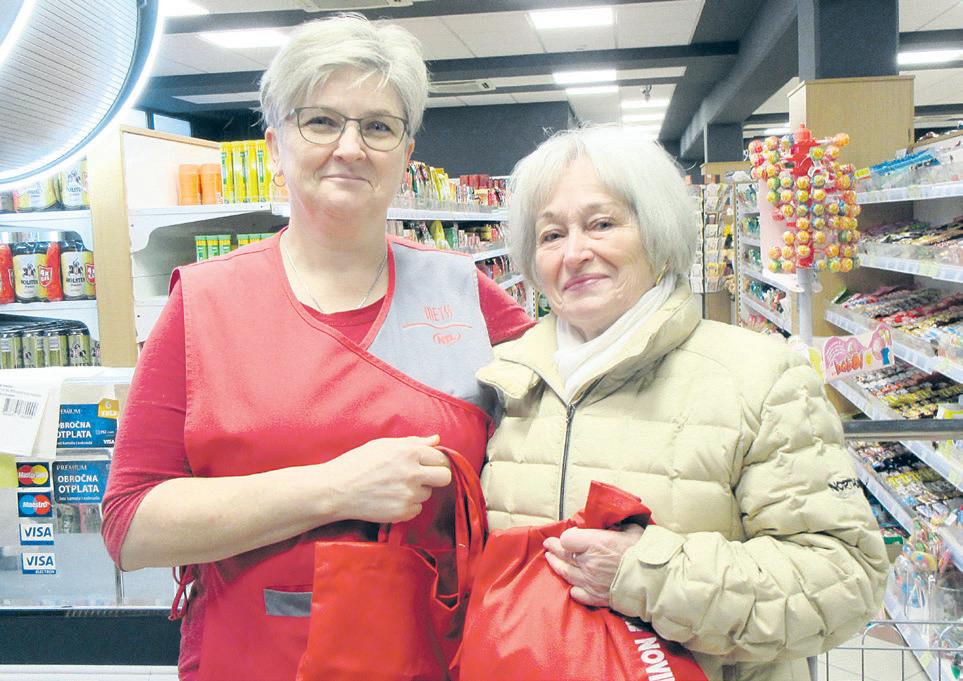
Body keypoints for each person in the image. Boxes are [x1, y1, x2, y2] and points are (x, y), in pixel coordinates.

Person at [101, 15, 532, 681]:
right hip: (255, 661)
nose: (349, 147)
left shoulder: (467, 295)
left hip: (433, 657)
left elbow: (574, 427)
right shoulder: (205, 304)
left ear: (405, 153)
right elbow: (130, 526)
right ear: (276, 146)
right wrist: (336, 488)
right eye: (321, 122)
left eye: (378, 127)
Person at [476, 125, 889, 681]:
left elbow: (845, 581)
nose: (574, 253)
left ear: (658, 232)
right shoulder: (503, 381)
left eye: (602, 224)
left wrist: (647, 574)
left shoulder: (760, 377)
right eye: (551, 235)